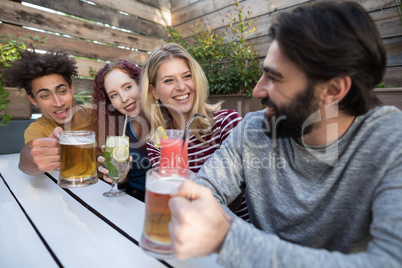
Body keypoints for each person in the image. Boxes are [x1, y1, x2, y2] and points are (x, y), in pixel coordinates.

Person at [168, 1, 402, 267]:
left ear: (333, 90)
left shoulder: (391, 144)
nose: (257, 91)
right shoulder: (253, 130)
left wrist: (230, 240)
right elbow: (201, 191)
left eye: (274, 78)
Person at [141, 43, 249, 220]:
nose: (182, 87)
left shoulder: (227, 123)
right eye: (169, 80)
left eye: (187, 76)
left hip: (231, 232)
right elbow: (170, 195)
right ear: (154, 91)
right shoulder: (158, 142)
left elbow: (235, 192)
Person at [2, 50, 92, 176]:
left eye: (62, 91)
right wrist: (35, 160)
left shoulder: (98, 114)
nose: (58, 103)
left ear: (71, 88)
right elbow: (27, 157)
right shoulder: (39, 129)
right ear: (32, 99)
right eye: (45, 96)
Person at [91, 60, 151, 201]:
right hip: (133, 199)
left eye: (128, 87)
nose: (124, 99)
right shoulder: (118, 130)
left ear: (140, 84)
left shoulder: (168, 118)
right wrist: (119, 177)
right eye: (114, 95)